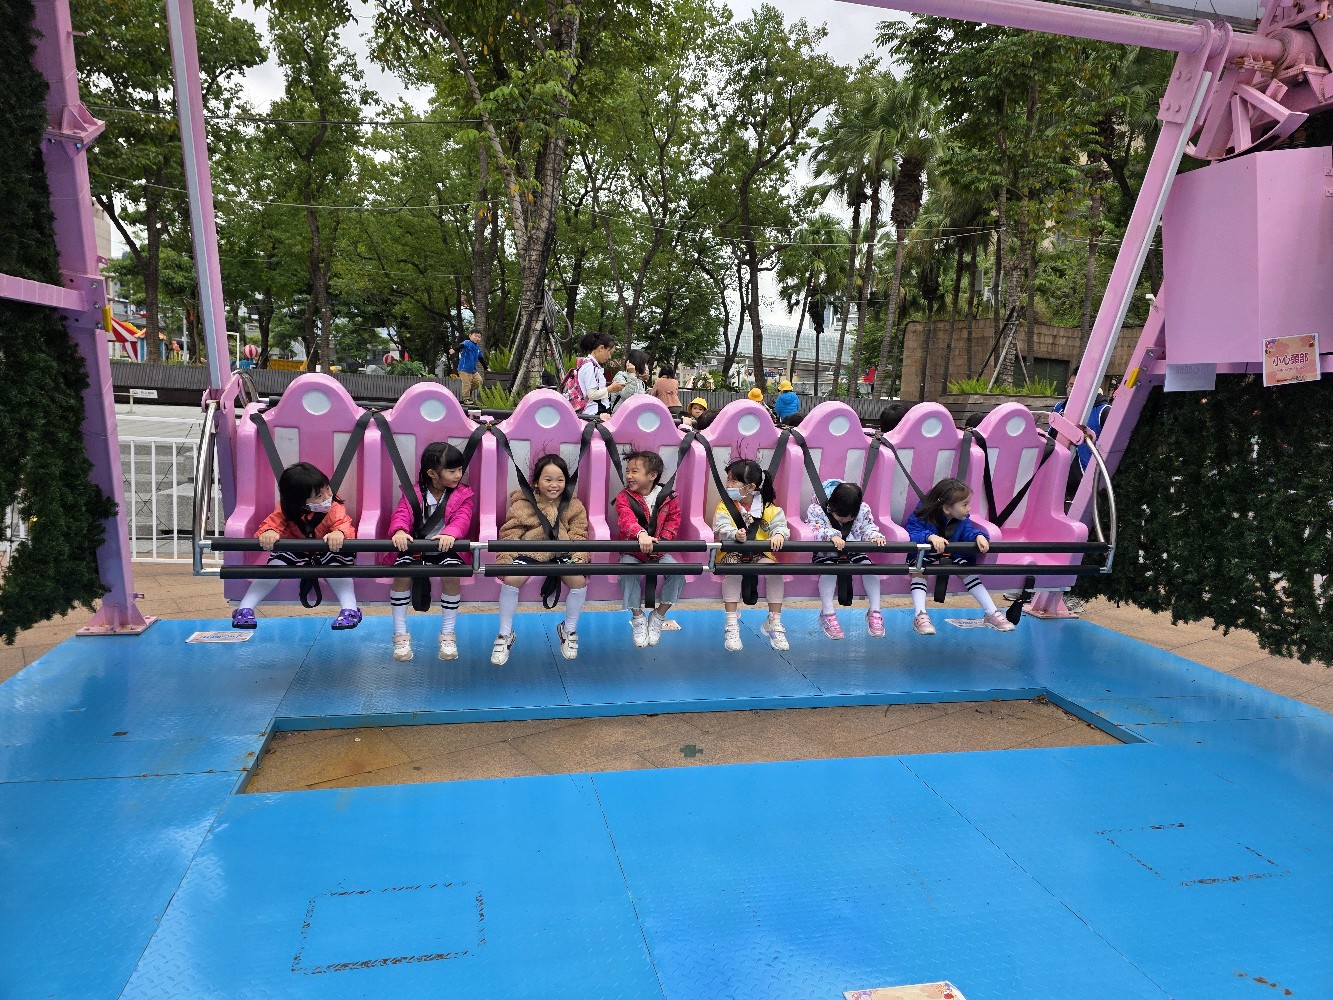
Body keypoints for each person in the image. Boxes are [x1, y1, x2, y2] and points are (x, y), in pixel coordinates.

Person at [231, 462, 361, 631]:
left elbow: (343, 524)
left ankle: (350, 608)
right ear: (299, 502)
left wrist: (339, 533)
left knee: (338, 567)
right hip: (297, 549)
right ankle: (245, 608)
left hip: (327, 549)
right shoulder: (286, 509)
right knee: (274, 567)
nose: (327, 497)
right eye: (318, 496)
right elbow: (273, 522)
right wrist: (269, 532)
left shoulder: (334, 507)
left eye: (328, 489)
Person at [491, 454, 590, 665]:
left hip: (562, 553)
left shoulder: (573, 506)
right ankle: (504, 634)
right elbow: (510, 533)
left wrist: (579, 557)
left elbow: (579, 534)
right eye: (548, 479)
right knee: (511, 579)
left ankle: (569, 630)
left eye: (560, 480)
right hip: (531, 551)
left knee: (579, 581)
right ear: (536, 481)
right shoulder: (523, 504)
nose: (554, 485)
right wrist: (505, 559)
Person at [382, 442, 475, 663]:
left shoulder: (463, 495)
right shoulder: (413, 494)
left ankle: (448, 634)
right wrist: (400, 531)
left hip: (446, 546)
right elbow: (401, 514)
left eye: (460, 470)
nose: (458, 475)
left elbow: (463, 518)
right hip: (416, 547)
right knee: (401, 573)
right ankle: (400, 634)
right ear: (432, 473)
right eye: (452, 471)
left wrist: (451, 533)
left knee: (452, 574)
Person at [903, 477, 1014, 635]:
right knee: (919, 569)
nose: (969, 509)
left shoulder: (961, 519)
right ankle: (920, 615)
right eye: (965, 505)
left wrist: (978, 536)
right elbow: (912, 532)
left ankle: (991, 612)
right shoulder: (922, 515)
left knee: (967, 570)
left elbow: (968, 532)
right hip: (925, 554)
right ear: (947, 508)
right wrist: (930, 537)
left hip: (951, 554)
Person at [713, 459, 788, 652]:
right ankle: (731, 622)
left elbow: (780, 525)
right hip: (731, 552)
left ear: (750, 487)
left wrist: (779, 535)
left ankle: (774, 621)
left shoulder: (768, 508)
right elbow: (721, 528)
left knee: (775, 572)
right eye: (728, 480)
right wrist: (734, 534)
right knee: (733, 572)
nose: (728, 485)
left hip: (759, 553)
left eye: (733, 481)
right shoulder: (724, 506)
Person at [614, 450, 684, 647]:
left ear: (652, 475)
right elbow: (626, 519)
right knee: (626, 571)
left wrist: (661, 541)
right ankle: (637, 617)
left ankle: (659, 615)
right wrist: (640, 534)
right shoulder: (624, 497)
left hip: (659, 550)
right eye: (627, 471)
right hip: (633, 550)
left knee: (678, 573)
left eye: (634, 471)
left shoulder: (669, 497)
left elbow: (673, 522)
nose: (629, 476)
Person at [807, 480, 887, 639]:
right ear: (832, 507)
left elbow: (868, 527)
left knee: (870, 569)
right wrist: (831, 535)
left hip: (853, 550)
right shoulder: (816, 509)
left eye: (850, 518)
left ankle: (875, 611)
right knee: (829, 572)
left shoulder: (863, 510)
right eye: (840, 517)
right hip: (826, 553)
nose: (844, 520)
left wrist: (875, 536)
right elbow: (814, 529)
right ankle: (827, 613)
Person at [567, 332, 624, 420]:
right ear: (601, 348)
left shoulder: (588, 364)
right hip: (593, 414)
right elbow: (592, 394)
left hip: (593, 413)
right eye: (610, 352)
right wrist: (611, 389)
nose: (609, 357)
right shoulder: (590, 366)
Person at [456, 330, 487, 407]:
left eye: (479, 337)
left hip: (473, 370)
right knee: (466, 384)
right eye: (475, 336)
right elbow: (461, 346)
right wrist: (454, 349)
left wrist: (486, 368)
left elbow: (481, 358)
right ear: (470, 336)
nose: (477, 338)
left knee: (479, 381)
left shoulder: (477, 348)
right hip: (464, 369)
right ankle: (466, 399)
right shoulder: (467, 342)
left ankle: (468, 391)